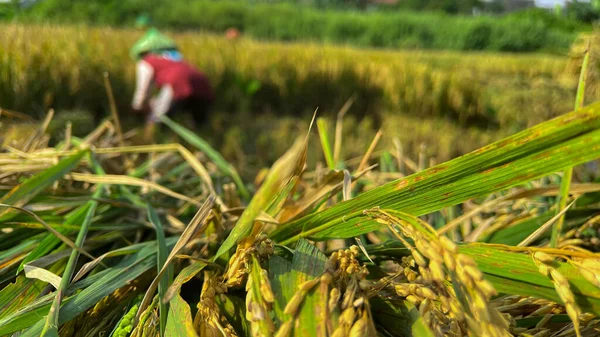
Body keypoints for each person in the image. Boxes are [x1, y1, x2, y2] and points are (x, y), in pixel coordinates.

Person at [129, 26, 214, 141]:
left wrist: (138, 108)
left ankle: (149, 144)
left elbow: (142, 91)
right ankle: (200, 152)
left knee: (156, 119)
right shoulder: (175, 58)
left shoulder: (146, 62)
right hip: (203, 87)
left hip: (177, 86)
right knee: (199, 128)